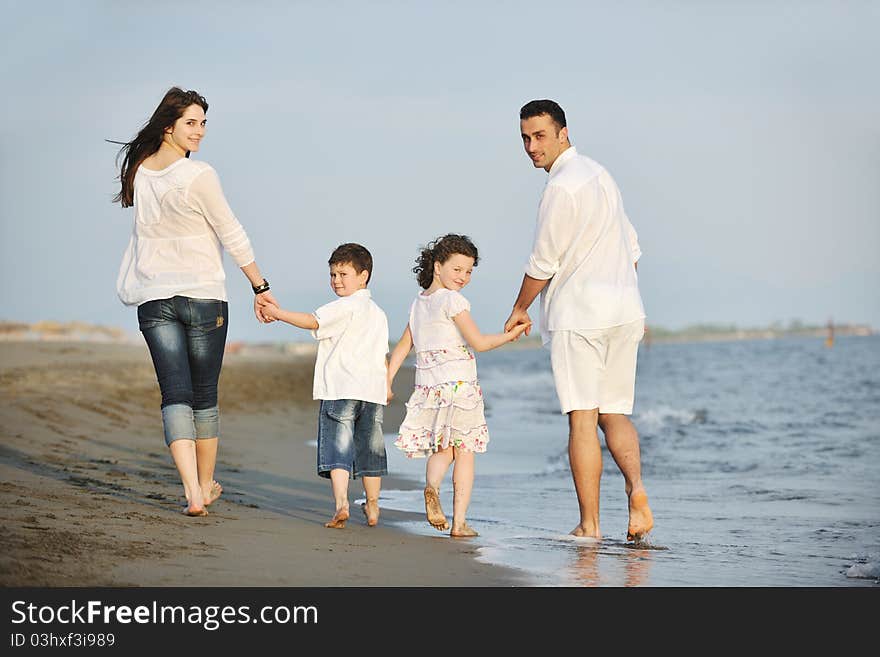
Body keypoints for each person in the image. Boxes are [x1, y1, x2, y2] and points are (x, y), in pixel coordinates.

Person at [113, 87, 278, 517]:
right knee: (202, 395)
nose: (199, 131)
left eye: (203, 123)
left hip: (154, 298)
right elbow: (231, 231)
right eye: (191, 123)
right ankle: (203, 485)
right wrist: (260, 288)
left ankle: (192, 491)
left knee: (175, 394)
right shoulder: (199, 174)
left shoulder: (141, 172)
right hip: (203, 296)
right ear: (168, 125)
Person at [504, 99, 654, 542]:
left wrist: (520, 307)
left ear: (563, 133)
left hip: (581, 315)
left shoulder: (560, 187)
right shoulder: (601, 175)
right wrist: (625, 296)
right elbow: (632, 249)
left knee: (582, 420)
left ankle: (589, 525)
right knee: (615, 413)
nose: (532, 147)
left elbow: (543, 261)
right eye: (525, 139)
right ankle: (637, 490)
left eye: (540, 136)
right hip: (625, 311)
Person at [387, 234, 530, 537]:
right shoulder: (452, 300)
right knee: (465, 450)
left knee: (444, 448)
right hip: (460, 385)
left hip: (429, 387)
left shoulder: (419, 303)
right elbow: (478, 342)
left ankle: (431, 487)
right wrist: (511, 335)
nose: (463, 278)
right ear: (437, 266)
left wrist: (387, 382)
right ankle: (459, 522)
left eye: (468, 272)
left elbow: (402, 348)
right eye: (457, 270)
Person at [260, 243, 390, 529]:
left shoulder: (343, 306)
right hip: (372, 392)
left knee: (338, 449)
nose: (336, 281)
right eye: (332, 275)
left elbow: (312, 322)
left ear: (363, 276)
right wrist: (387, 384)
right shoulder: (378, 313)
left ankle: (342, 503)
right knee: (370, 449)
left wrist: (278, 313)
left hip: (340, 389)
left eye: (343, 274)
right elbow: (381, 354)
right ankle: (372, 505)